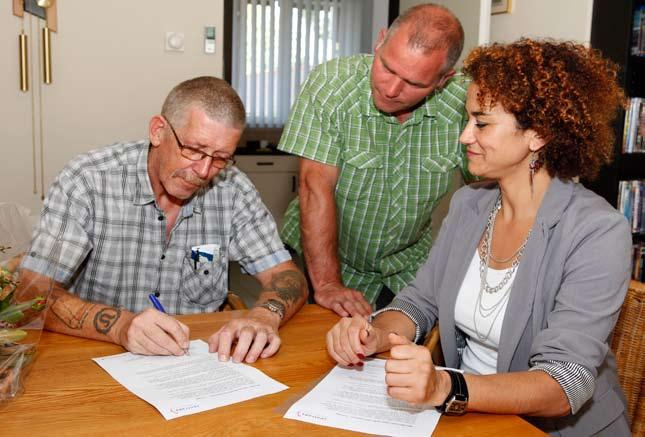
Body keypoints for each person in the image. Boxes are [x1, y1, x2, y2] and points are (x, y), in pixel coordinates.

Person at [326, 39, 631, 436]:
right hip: (469, 417)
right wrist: (374, 333)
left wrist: (445, 386)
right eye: (467, 120)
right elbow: (420, 303)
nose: (465, 136)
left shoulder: (596, 231)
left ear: (538, 134)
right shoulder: (470, 204)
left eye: (482, 123)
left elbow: (564, 382)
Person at [22, 76, 308, 364]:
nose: (204, 170)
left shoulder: (234, 190)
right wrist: (121, 326)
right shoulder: (88, 180)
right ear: (158, 131)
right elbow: (31, 292)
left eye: (221, 158)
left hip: (196, 360)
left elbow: (286, 276)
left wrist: (264, 316)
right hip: (95, 355)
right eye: (194, 150)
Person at [278, 3, 469, 318]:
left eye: (414, 84)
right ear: (380, 42)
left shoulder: (464, 105)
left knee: (398, 356)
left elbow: (489, 190)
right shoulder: (331, 84)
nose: (392, 89)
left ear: (444, 79)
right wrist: (326, 284)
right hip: (329, 256)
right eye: (387, 68)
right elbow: (315, 186)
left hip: (408, 263)